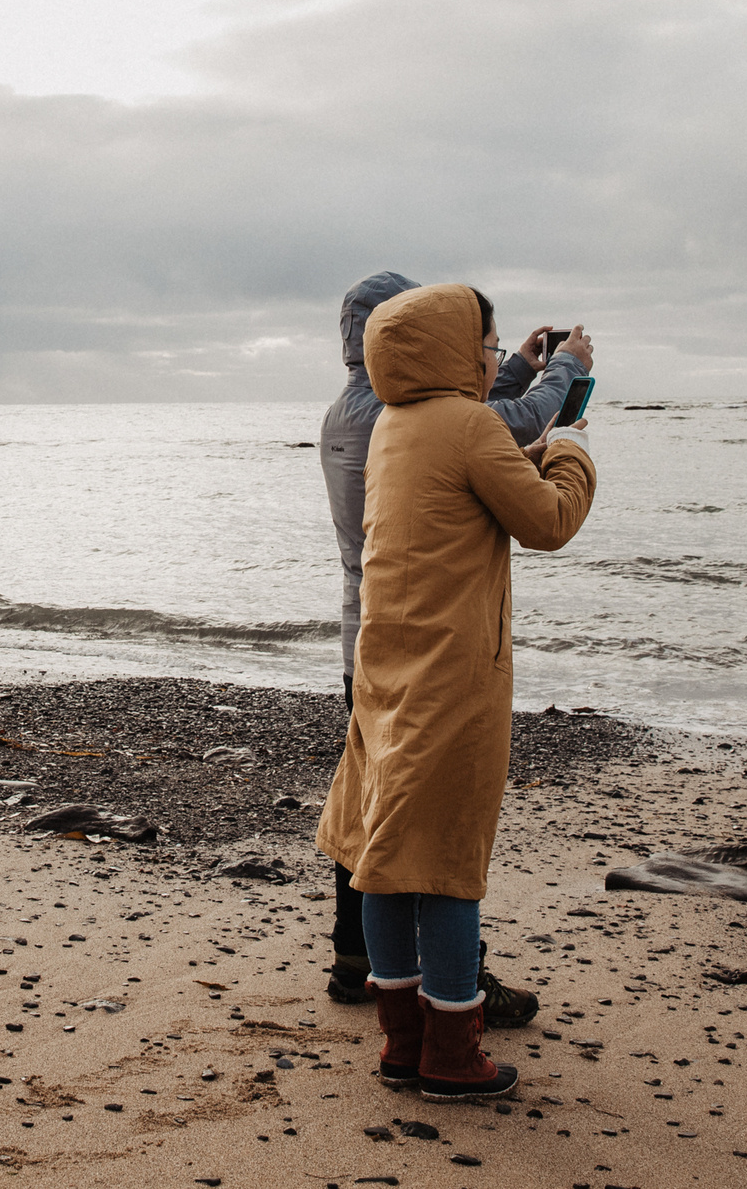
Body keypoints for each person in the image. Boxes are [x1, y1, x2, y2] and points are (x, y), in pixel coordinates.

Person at [315, 282, 597, 1103]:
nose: (489, 355)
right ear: (446, 347)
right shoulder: (469, 424)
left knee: (384, 857)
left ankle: (402, 1042)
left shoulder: (392, 426)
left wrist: (521, 417)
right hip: (454, 677)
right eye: (485, 341)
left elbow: (463, 490)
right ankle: (450, 1053)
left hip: (383, 665)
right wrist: (573, 443)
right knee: (444, 862)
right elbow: (546, 521)